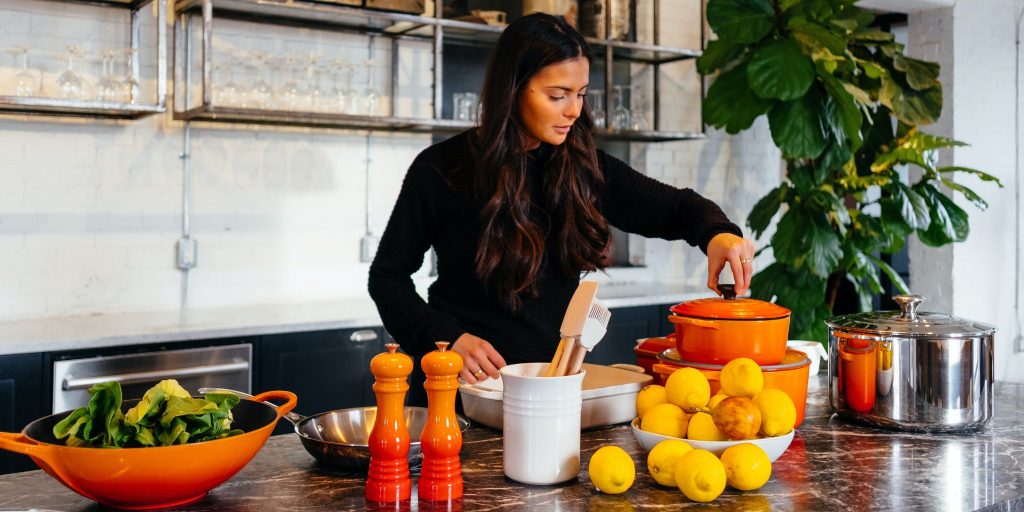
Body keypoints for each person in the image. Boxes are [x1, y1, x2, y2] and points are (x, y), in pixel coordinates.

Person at [368, 13, 756, 394]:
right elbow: (387, 278)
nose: (574, 110)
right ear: (513, 88)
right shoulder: (442, 169)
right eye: (558, 95)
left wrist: (717, 234)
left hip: (549, 394)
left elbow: (678, 209)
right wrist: (447, 338)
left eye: (581, 94)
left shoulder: (584, 167)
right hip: (457, 394)